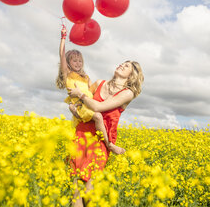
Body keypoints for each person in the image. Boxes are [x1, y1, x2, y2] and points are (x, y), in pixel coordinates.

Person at [68, 60, 144, 207]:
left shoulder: (127, 93)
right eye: (122, 63)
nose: (122, 65)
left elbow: (98, 106)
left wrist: (82, 96)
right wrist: (74, 107)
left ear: (132, 75)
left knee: (89, 190)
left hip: (102, 140)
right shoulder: (99, 83)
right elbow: (79, 104)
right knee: (76, 186)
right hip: (83, 133)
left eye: (126, 65)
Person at [56, 26, 125, 154]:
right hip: (80, 106)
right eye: (74, 60)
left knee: (101, 115)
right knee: (98, 117)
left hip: (87, 103)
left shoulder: (86, 77)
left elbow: (91, 92)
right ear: (68, 62)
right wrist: (63, 38)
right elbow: (61, 54)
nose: (78, 63)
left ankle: (104, 142)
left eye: (80, 60)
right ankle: (110, 145)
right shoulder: (68, 74)